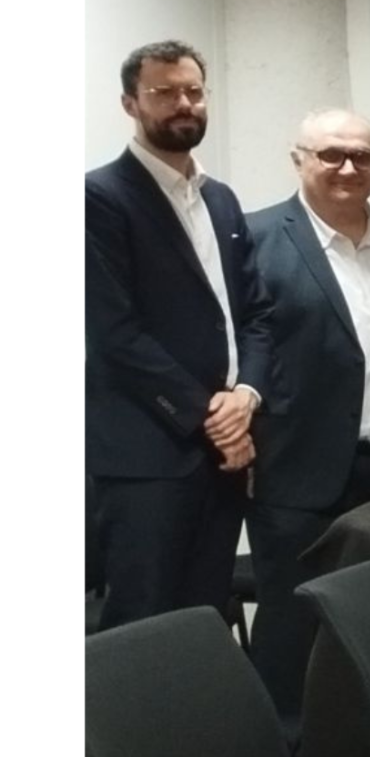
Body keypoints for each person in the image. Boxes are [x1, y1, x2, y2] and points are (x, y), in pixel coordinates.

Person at [243, 109, 370, 723]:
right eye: (332, 154)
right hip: (302, 475)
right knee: (297, 626)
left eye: (363, 156)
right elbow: (233, 350)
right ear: (298, 159)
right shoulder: (257, 239)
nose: (349, 168)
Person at [86, 40, 272, 631]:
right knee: (143, 628)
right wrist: (211, 418)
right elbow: (115, 336)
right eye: (163, 93)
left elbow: (255, 314)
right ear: (130, 103)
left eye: (193, 91)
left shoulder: (220, 198)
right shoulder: (97, 198)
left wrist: (247, 398)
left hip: (223, 454)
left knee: (204, 619)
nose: (183, 104)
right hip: (148, 459)